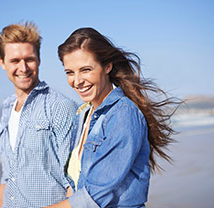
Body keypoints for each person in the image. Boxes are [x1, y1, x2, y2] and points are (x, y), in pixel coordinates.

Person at [45, 27, 181, 208]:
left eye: (85, 70)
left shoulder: (122, 114)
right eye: (70, 72)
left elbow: (96, 196)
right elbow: (75, 182)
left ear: (107, 66)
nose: (77, 81)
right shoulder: (84, 114)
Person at [0, 21, 77, 208]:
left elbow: (73, 181)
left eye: (29, 59)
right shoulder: (7, 109)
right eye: (15, 61)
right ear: (2, 63)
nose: (23, 68)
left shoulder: (60, 107)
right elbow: (6, 176)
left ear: (39, 60)